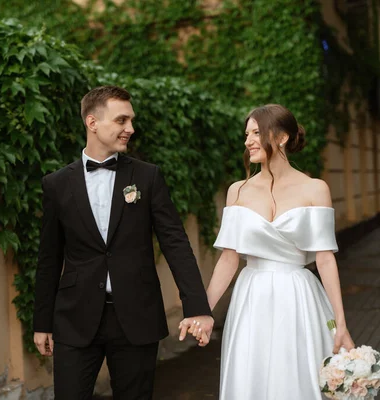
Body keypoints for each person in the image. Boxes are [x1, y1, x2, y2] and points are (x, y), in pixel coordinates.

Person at [32, 85, 214, 400]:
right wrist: (42, 322)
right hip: (75, 319)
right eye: (121, 121)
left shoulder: (147, 177)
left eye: (130, 121)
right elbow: (49, 257)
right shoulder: (56, 184)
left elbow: (176, 244)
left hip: (136, 316)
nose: (130, 129)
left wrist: (198, 307)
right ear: (92, 122)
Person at [183, 104, 355, 399]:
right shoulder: (237, 190)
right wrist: (203, 310)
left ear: (282, 137)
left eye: (256, 133)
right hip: (252, 297)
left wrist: (341, 323)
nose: (248, 140)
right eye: (246, 134)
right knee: (253, 375)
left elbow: (326, 260)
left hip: (298, 296)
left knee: (297, 376)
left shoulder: (315, 189)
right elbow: (228, 258)